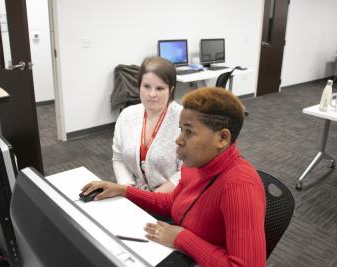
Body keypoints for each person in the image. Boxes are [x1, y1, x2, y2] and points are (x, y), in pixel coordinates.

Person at [82, 87, 266, 266]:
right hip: (180, 254)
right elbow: (172, 203)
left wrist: (181, 238)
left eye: (189, 131)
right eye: (180, 129)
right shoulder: (195, 165)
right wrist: (123, 190)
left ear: (222, 138)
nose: (178, 140)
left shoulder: (240, 186)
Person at [112, 56, 182, 192]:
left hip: (171, 199)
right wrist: (129, 189)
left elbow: (186, 171)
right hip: (135, 196)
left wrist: (151, 199)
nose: (152, 94)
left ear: (171, 90)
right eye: (146, 86)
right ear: (139, 85)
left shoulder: (183, 119)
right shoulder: (127, 115)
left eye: (160, 88)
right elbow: (119, 158)